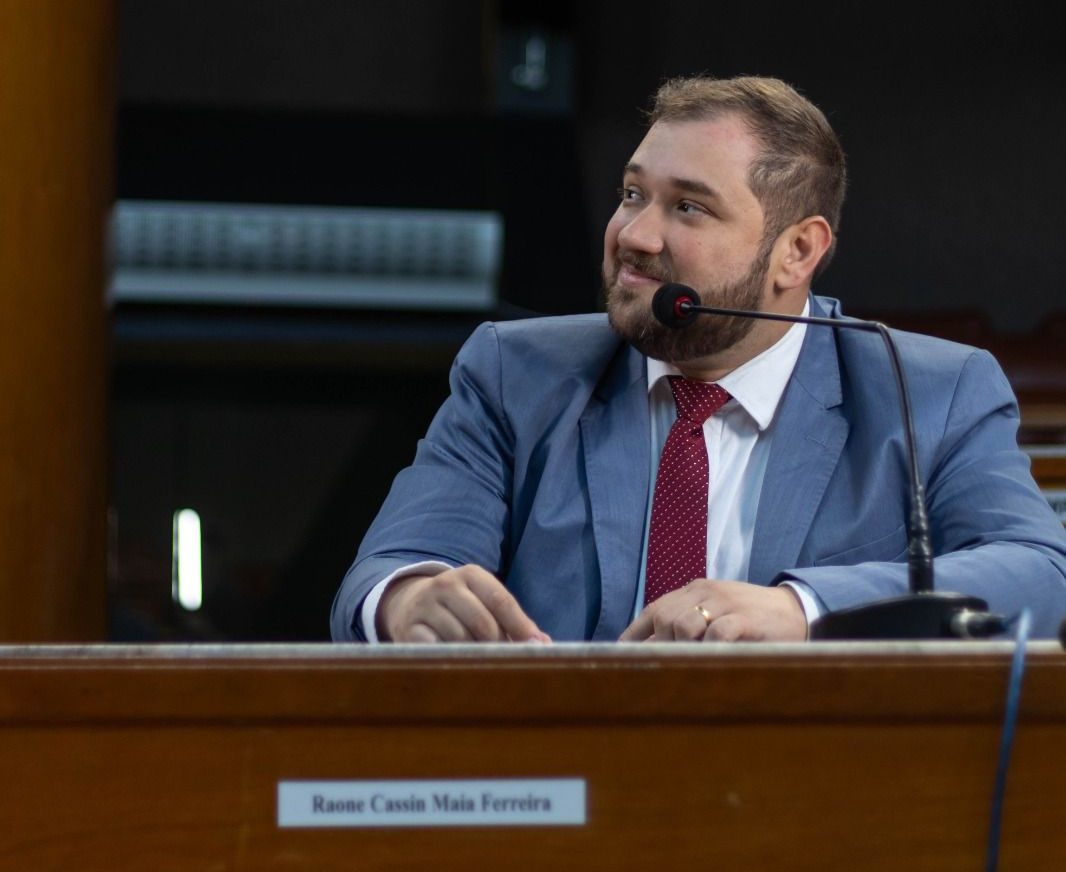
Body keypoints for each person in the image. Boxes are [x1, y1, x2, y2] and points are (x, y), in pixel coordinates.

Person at [331, 75, 1066, 644]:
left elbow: (1043, 573)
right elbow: (389, 568)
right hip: (565, 772)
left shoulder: (928, 390)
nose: (634, 235)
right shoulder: (516, 375)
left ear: (797, 251)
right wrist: (407, 599)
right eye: (632, 194)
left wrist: (800, 609)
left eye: (688, 206)